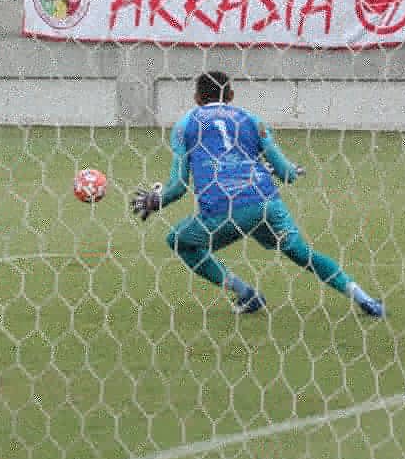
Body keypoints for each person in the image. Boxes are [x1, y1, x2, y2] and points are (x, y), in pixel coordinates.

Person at [132, 72, 384, 316]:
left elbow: (178, 186)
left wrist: (155, 201)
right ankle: (365, 299)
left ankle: (246, 294)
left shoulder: (185, 124)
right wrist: (283, 170)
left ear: (197, 98)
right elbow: (286, 174)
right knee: (301, 253)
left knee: (179, 240)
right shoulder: (251, 120)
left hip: (223, 211)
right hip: (266, 204)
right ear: (231, 94)